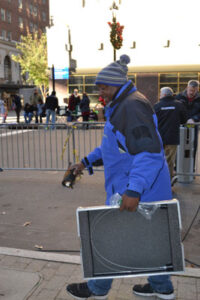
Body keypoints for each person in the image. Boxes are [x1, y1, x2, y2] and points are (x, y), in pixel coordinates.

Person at [66, 55, 175, 300]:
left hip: (136, 189)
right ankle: (162, 287)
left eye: (103, 86)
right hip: (141, 186)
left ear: (116, 84)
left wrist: (134, 190)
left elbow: (149, 153)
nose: (99, 91)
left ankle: (98, 289)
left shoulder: (131, 107)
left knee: (108, 237)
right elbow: (115, 146)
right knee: (151, 238)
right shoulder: (123, 104)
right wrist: (86, 162)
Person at [154, 87, 187, 180]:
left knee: (159, 160)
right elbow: (184, 120)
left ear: (163, 95)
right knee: (169, 161)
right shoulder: (179, 105)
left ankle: (159, 181)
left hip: (159, 138)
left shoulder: (157, 106)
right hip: (172, 138)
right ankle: (168, 183)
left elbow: (152, 121)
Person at [176, 80, 200, 170]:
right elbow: (177, 110)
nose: (191, 92)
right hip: (181, 125)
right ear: (187, 88)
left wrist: (194, 119)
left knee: (192, 146)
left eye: (194, 91)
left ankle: (190, 168)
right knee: (180, 145)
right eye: (190, 90)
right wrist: (184, 119)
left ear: (197, 90)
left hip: (193, 125)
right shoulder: (179, 97)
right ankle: (178, 167)